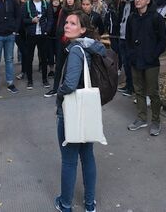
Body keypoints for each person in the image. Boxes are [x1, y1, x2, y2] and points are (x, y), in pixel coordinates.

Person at [54, 11, 106, 212]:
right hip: (86, 110)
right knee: (87, 156)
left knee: (68, 161)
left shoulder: (76, 50)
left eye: (72, 23)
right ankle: (90, 203)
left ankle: (65, 204)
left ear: (82, 29)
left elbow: (69, 84)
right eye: (66, 22)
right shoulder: (87, 47)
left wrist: (59, 94)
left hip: (71, 112)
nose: (67, 25)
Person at [126, 0, 166, 135]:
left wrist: (153, 55)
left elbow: (163, 40)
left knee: (153, 93)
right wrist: (130, 55)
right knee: (139, 91)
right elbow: (128, 39)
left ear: (148, 1)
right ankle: (142, 118)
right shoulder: (132, 17)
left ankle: (156, 121)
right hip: (135, 60)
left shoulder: (156, 18)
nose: (137, 1)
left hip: (150, 62)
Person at [45, 0, 81, 98]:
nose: (69, 0)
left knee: (71, 67)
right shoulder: (63, 10)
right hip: (61, 41)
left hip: (73, 42)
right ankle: (55, 88)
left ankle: (67, 88)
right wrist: (61, 36)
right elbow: (59, 25)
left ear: (75, 0)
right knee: (59, 66)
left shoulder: (78, 12)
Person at [21, 0, 53, 89]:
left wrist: (47, 31)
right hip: (31, 35)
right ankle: (30, 80)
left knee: (44, 58)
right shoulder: (26, 5)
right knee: (29, 58)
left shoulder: (46, 4)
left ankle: (45, 79)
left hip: (43, 34)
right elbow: (23, 20)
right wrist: (31, 21)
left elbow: (50, 19)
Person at [117, 0, 136, 97]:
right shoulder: (123, 3)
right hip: (122, 36)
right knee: (125, 63)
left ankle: (132, 87)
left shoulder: (135, 2)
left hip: (131, 38)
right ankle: (128, 85)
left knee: (130, 63)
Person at [104, 0, 123, 70]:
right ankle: (114, 67)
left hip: (121, 34)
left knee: (120, 52)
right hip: (113, 34)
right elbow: (106, 22)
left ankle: (119, 68)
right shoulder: (110, 11)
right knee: (114, 52)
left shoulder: (123, 10)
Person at [46, 0, 61, 78]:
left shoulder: (61, 10)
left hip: (58, 35)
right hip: (49, 35)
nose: (56, 2)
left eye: (57, 0)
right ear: (51, 2)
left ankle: (58, 70)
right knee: (50, 54)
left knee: (58, 54)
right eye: (54, 0)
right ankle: (51, 70)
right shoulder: (48, 10)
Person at [15, 0, 28, 80]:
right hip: (19, 33)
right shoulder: (17, 8)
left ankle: (26, 70)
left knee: (26, 53)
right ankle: (23, 72)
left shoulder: (29, 6)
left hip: (28, 33)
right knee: (24, 52)